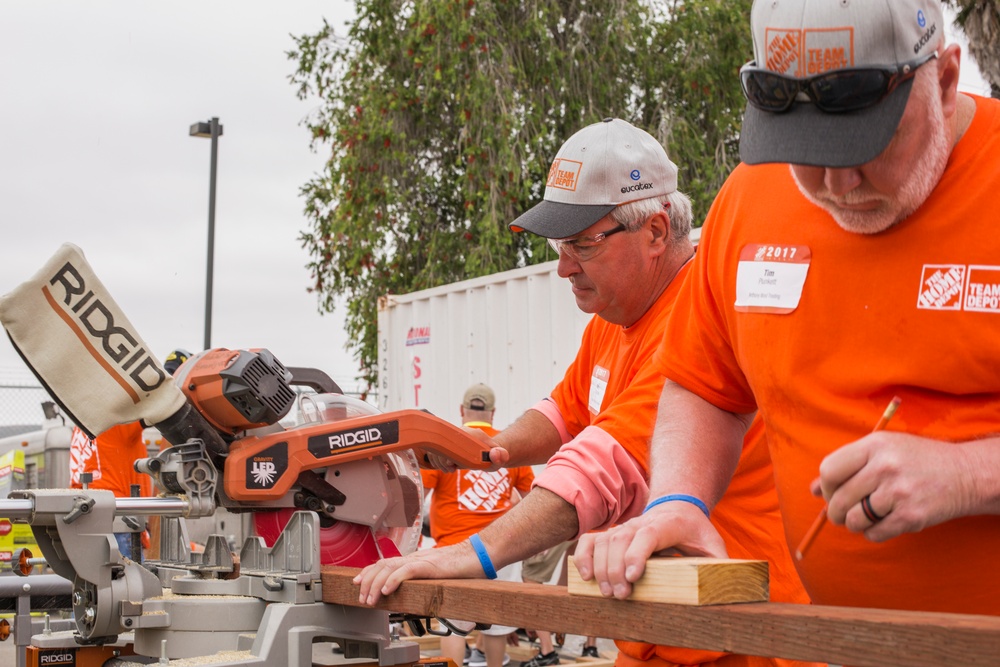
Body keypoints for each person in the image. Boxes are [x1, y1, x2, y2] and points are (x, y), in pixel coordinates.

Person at [574, 0, 1000, 618]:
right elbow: (705, 387)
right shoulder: (750, 201)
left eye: (867, 141)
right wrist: (678, 503)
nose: (837, 185)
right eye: (807, 149)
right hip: (832, 642)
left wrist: (968, 474)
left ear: (944, 79)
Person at [356, 119, 818, 667]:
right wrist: (484, 450)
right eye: (560, 244)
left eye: (582, 245)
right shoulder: (614, 318)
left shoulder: (696, 314)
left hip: (740, 638)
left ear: (654, 231)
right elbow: (565, 413)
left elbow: (600, 465)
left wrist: (470, 553)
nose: (563, 267)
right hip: (657, 630)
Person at [422, 383, 535, 667]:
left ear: (462, 410)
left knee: (453, 623)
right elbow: (534, 499)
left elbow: (416, 499)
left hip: (455, 550)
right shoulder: (509, 447)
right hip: (501, 550)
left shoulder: (446, 444)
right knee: (495, 623)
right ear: (492, 413)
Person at [519, 540, 598, 666]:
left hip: (557, 524)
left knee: (531, 575)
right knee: (573, 566)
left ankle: (547, 652)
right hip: (588, 526)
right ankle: (590, 647)